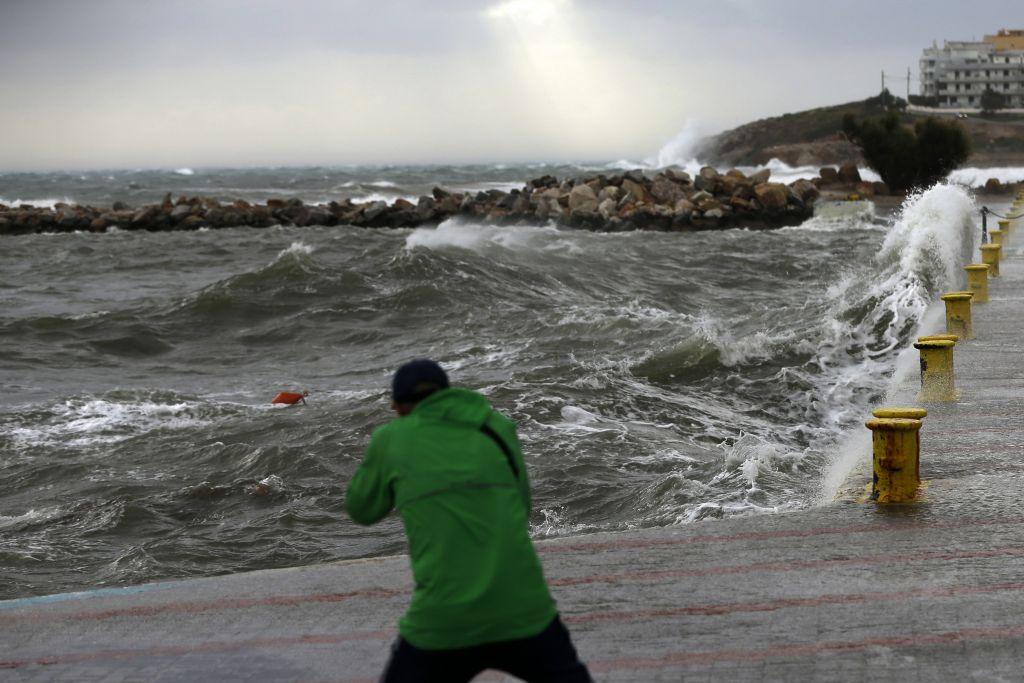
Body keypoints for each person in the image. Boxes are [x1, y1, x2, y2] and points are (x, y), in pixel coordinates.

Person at [346, 359, 592, 683]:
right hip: (523, 611)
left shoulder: (391, 438)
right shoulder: (496, 428)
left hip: (445, 620)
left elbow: (361, 509)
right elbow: (522, 504)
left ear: (401, 406)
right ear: (446, 394)